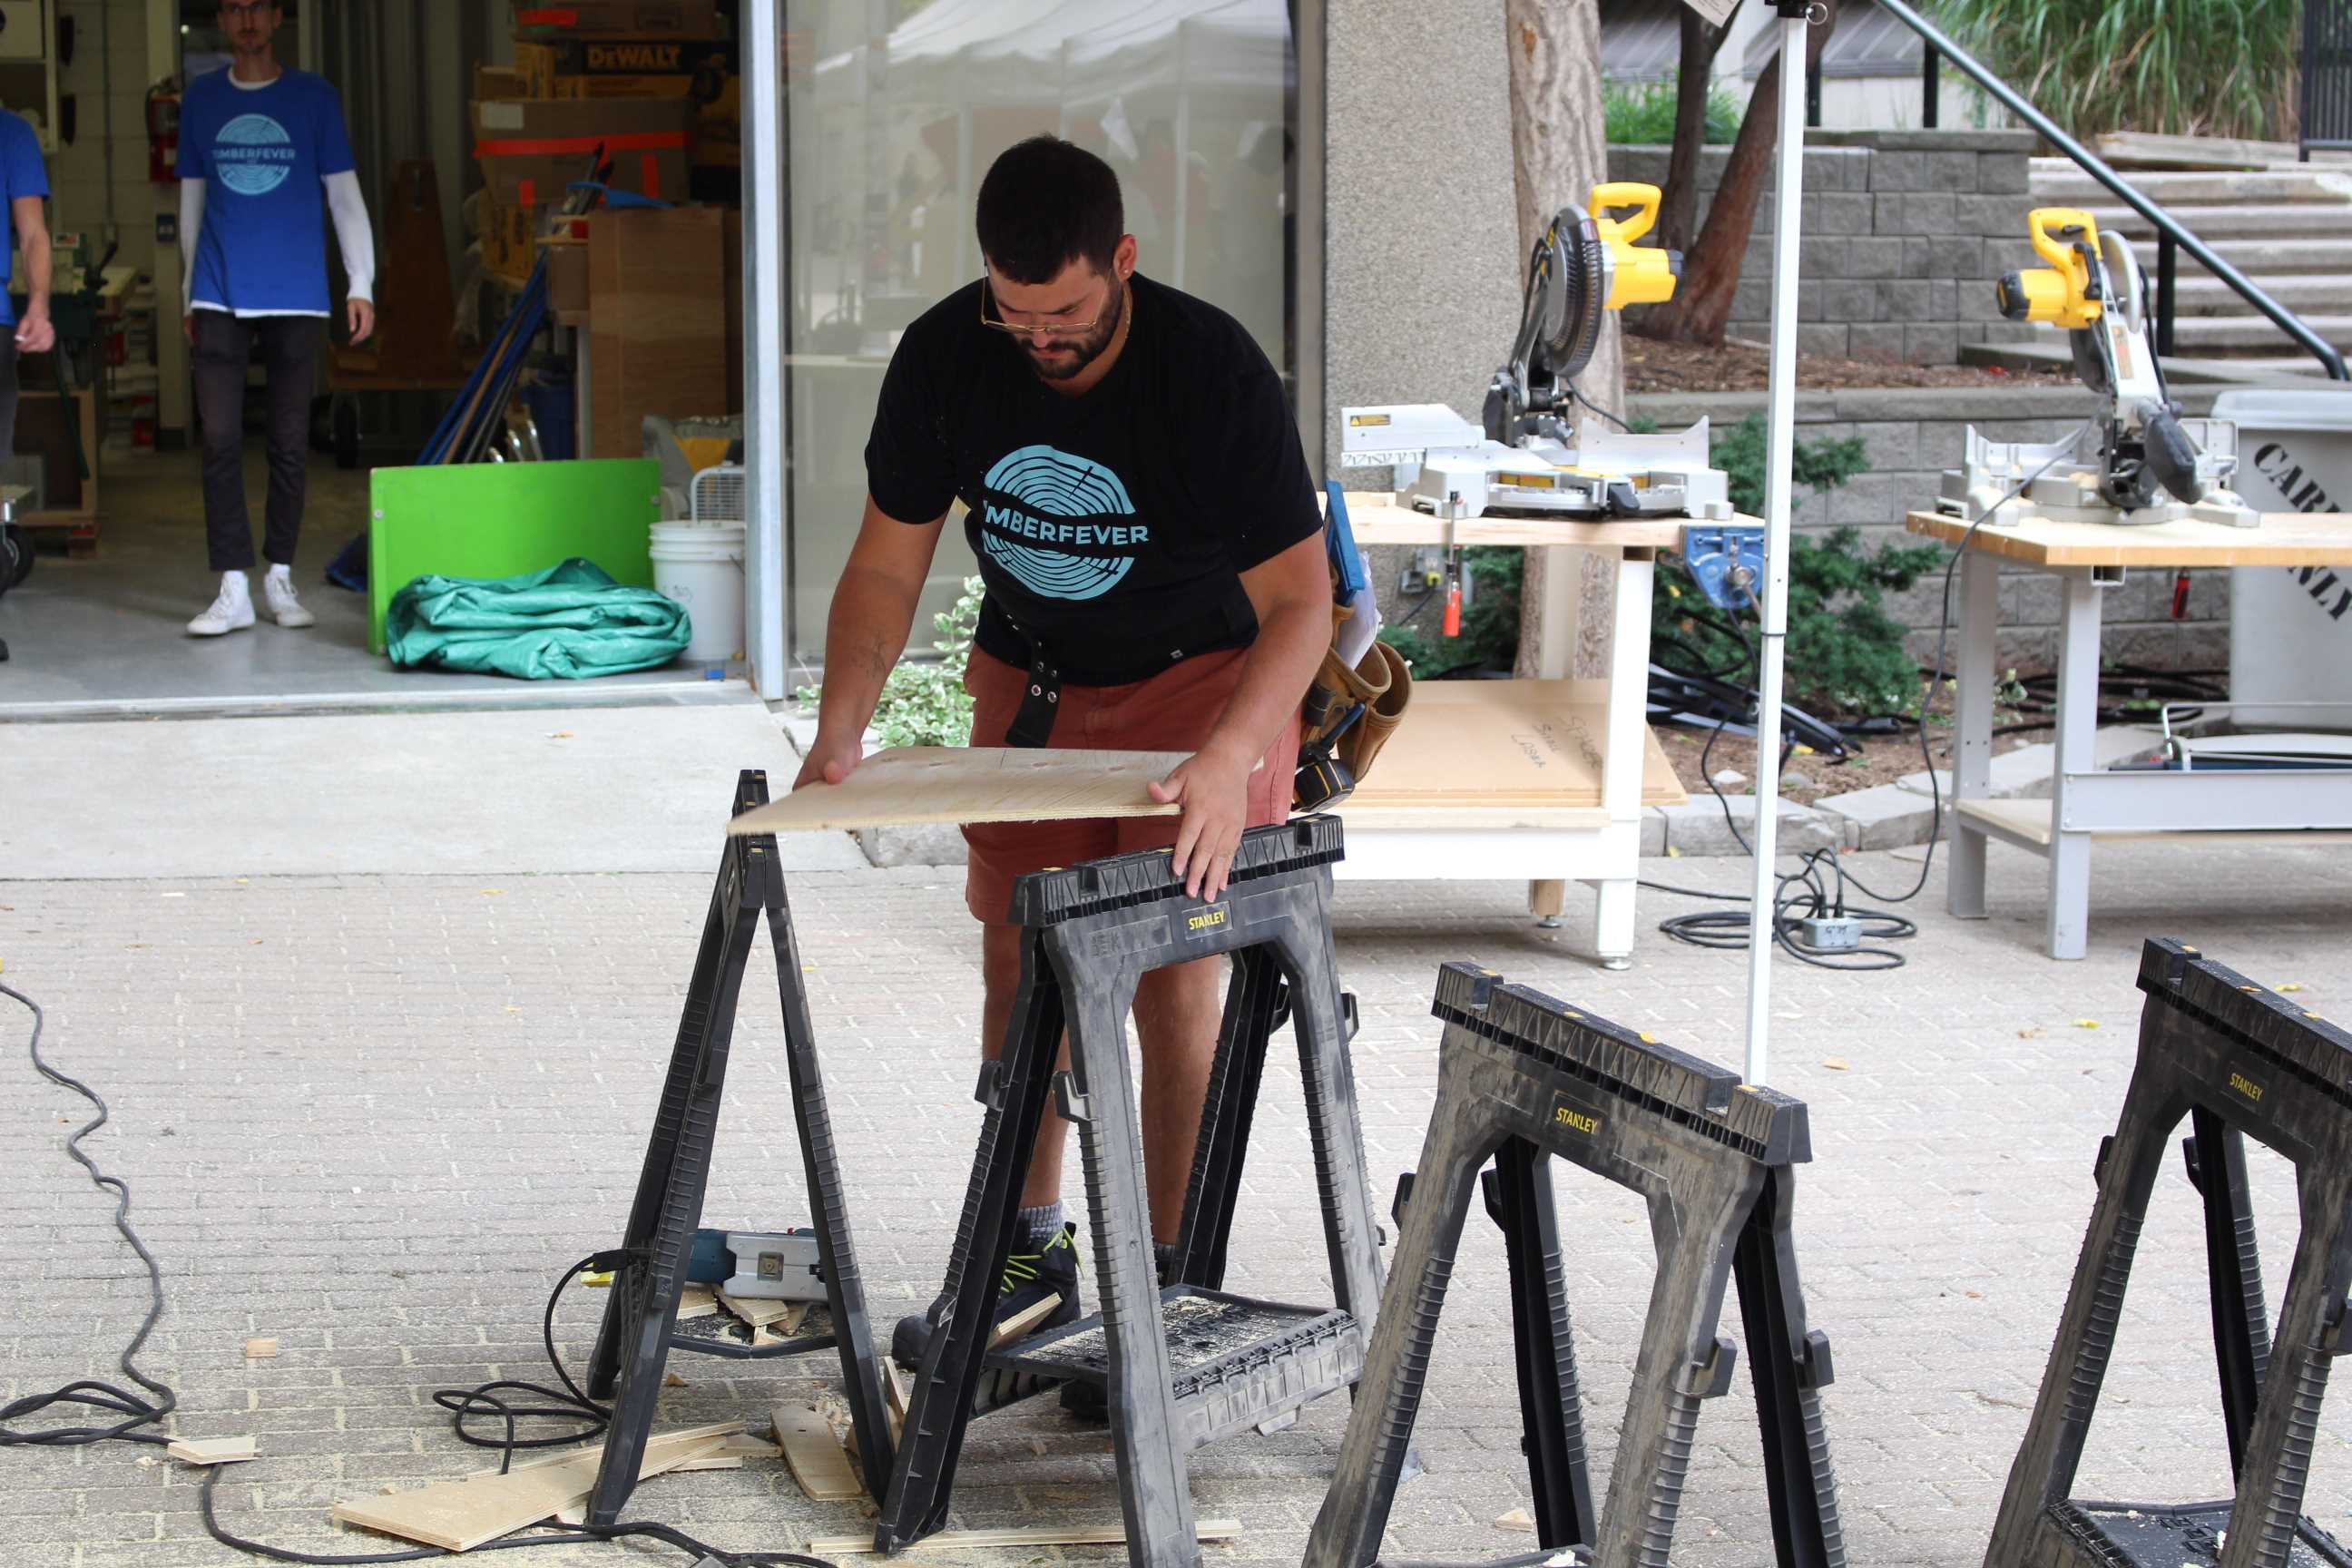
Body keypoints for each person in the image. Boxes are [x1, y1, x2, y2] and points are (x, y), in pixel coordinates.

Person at [793, 135, 1329, 1362]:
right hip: (1034, 681)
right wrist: (842, 725)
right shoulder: (946, 355)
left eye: (1071, 314)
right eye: (1018, 314)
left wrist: (1233, 754)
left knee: (1172, 970)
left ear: (1123, 264)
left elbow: (1302, 605)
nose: (1043, 339)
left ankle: (1169, 1283)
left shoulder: (1209, 370)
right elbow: (886, 564)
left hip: (1207, 686)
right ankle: (1028, 1255)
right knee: (1018, 956)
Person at [178, 0, 375, 638]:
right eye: (233, 8)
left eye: (257, 6)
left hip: (297, 292)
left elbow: (343, 195)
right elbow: (192, 200)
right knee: (220, 439)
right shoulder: (202, 99)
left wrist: (360, 281)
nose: (246, 20)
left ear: (277, 16)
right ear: (223, 20)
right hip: (218, 288)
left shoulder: (314, 97)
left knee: (290, 442)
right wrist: (188, 291)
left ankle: (279, 574)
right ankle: (231, 585)